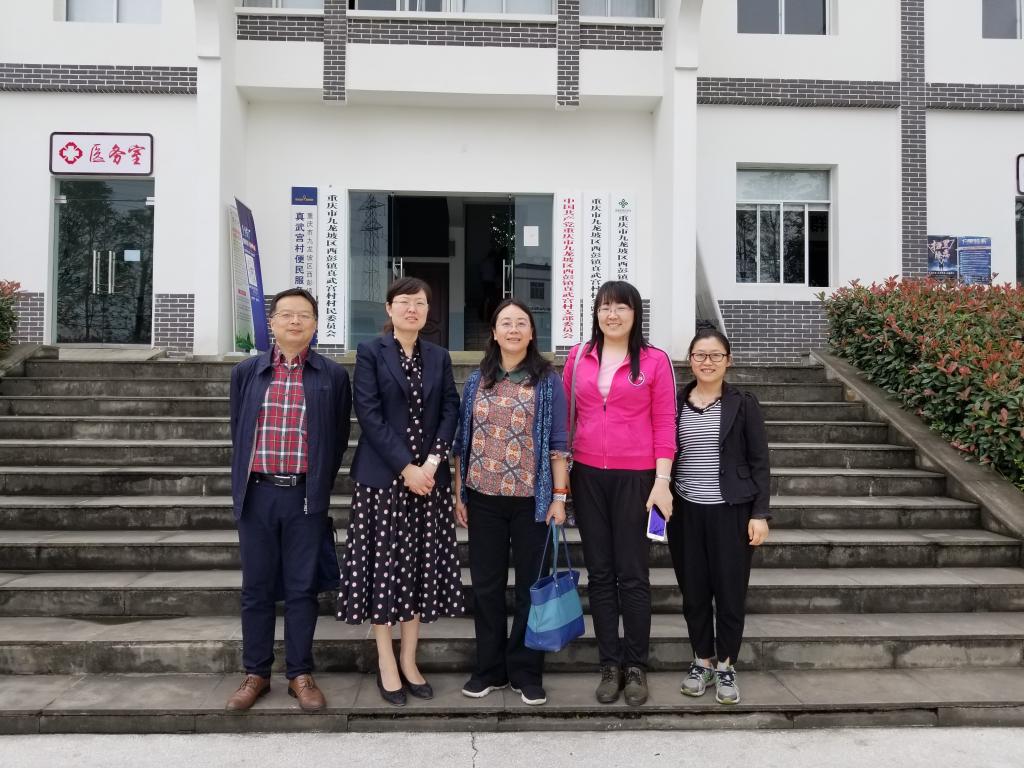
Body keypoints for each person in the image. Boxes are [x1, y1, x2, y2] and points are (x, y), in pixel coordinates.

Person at [336, 276, 463, 707]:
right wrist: (406, 467)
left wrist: (431, 464)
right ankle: (386, 661)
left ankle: (410, 659)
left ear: (428, 311)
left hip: (428, 483)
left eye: (420, 303)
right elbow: (369, 414)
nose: (413, 309)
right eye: (405, 302)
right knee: (383, 570)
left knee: (418, 571)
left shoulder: (439, 356)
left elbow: (450, 409)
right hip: (382, 483)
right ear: (389, 309)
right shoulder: (371, 352)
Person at [226, 288, 352, 712]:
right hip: (257, 494)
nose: (295, 321)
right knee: (256, 588)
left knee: (302, 588)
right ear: (272, 323)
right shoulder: (247, 372)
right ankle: (256, 673)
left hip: (304, 497)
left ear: (315, 325)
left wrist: (316, 486)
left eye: (304, 315)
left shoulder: (332, 376)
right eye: (286, 314)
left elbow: (336, 438)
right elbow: (239, 430)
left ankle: (300, 673)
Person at [562, 280, 676, 707]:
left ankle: (636, 666)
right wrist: (561, 482)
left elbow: (665, 421)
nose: (612, 315)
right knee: (600, 574)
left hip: (638, 478)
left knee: (633, 574)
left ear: (635, 313)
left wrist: (662, 482)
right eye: (605, 307)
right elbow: (566, 420)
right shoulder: (579, 357)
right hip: (588, 475)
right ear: (596, 313)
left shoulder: (655, 360)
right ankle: (609, 664)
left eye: (621, 307)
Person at [452, 298, 569, 707]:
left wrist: (559, 497)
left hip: (531, 502)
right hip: (483, 498)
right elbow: (462, 441)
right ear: (494, 332)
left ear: (532, 333)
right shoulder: (477, 380)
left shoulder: (548, 381)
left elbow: (559, 442)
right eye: (506, 323)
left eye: (521, 323)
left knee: (529, 589)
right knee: (486, 587)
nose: (514, 329)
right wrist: (459, 493)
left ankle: (525, 671)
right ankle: (489, 669)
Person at [668, 328, 770, 706]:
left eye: (715, 355)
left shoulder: (743, 403)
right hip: (685, 512)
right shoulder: (675, 403)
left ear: (728, 361)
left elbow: (760, 462)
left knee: (729, 592)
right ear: (690, 360)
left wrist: (760, 513)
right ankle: (702, 661)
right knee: (694, 591)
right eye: (700, 355)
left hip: (732, 511)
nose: (707, 362)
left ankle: (726, 665)